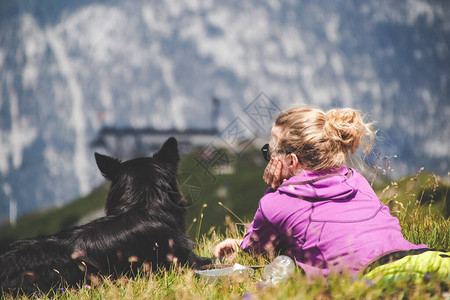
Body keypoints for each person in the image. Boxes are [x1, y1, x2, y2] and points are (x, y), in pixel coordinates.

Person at [213, 106, 449, 278]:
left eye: (271, 152)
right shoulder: (356, 180)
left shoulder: (275, 203)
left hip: (379, 280)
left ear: (292, 160)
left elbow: (255, 252)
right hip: (428, 260)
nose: (270, 160)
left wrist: (273, 191)